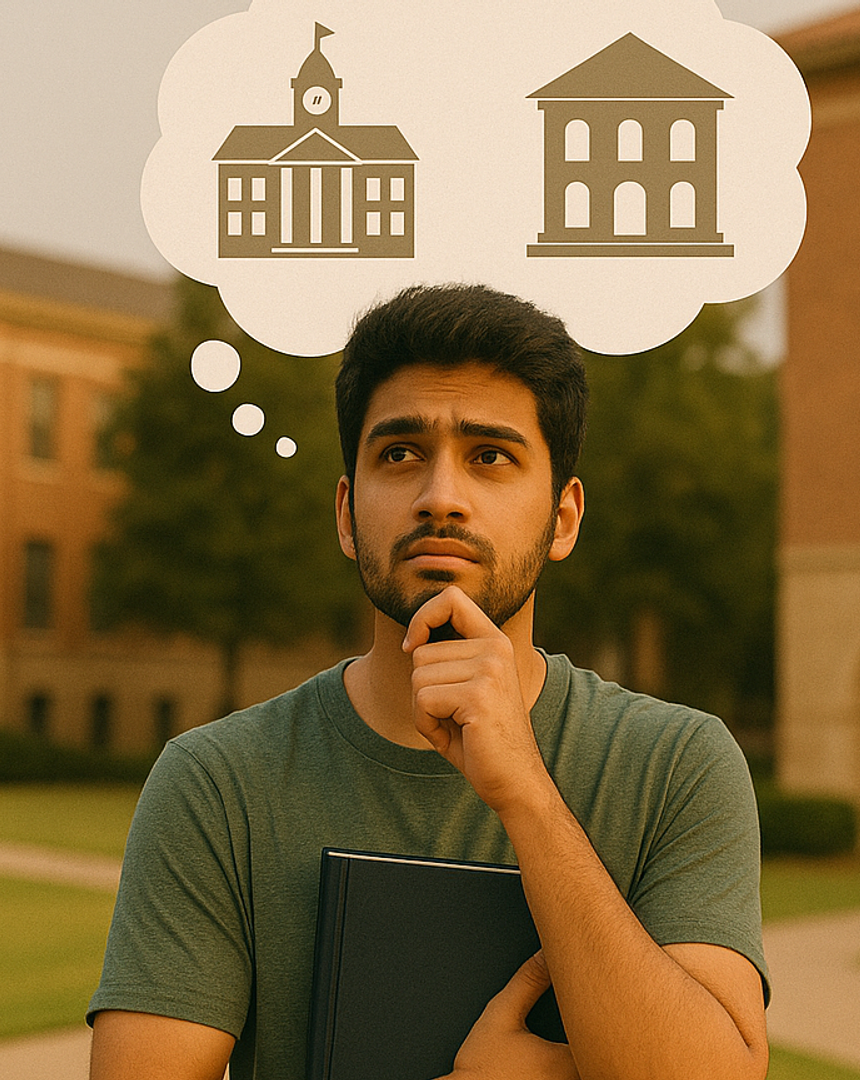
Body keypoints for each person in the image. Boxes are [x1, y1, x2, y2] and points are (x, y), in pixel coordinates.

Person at [87, 283, 768, 1080]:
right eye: (400, 453)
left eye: (491, 457)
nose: (440, 496)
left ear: (564, 519)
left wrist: (526, 794)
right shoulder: (217, 784)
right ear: (347, 512)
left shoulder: (676, 764)